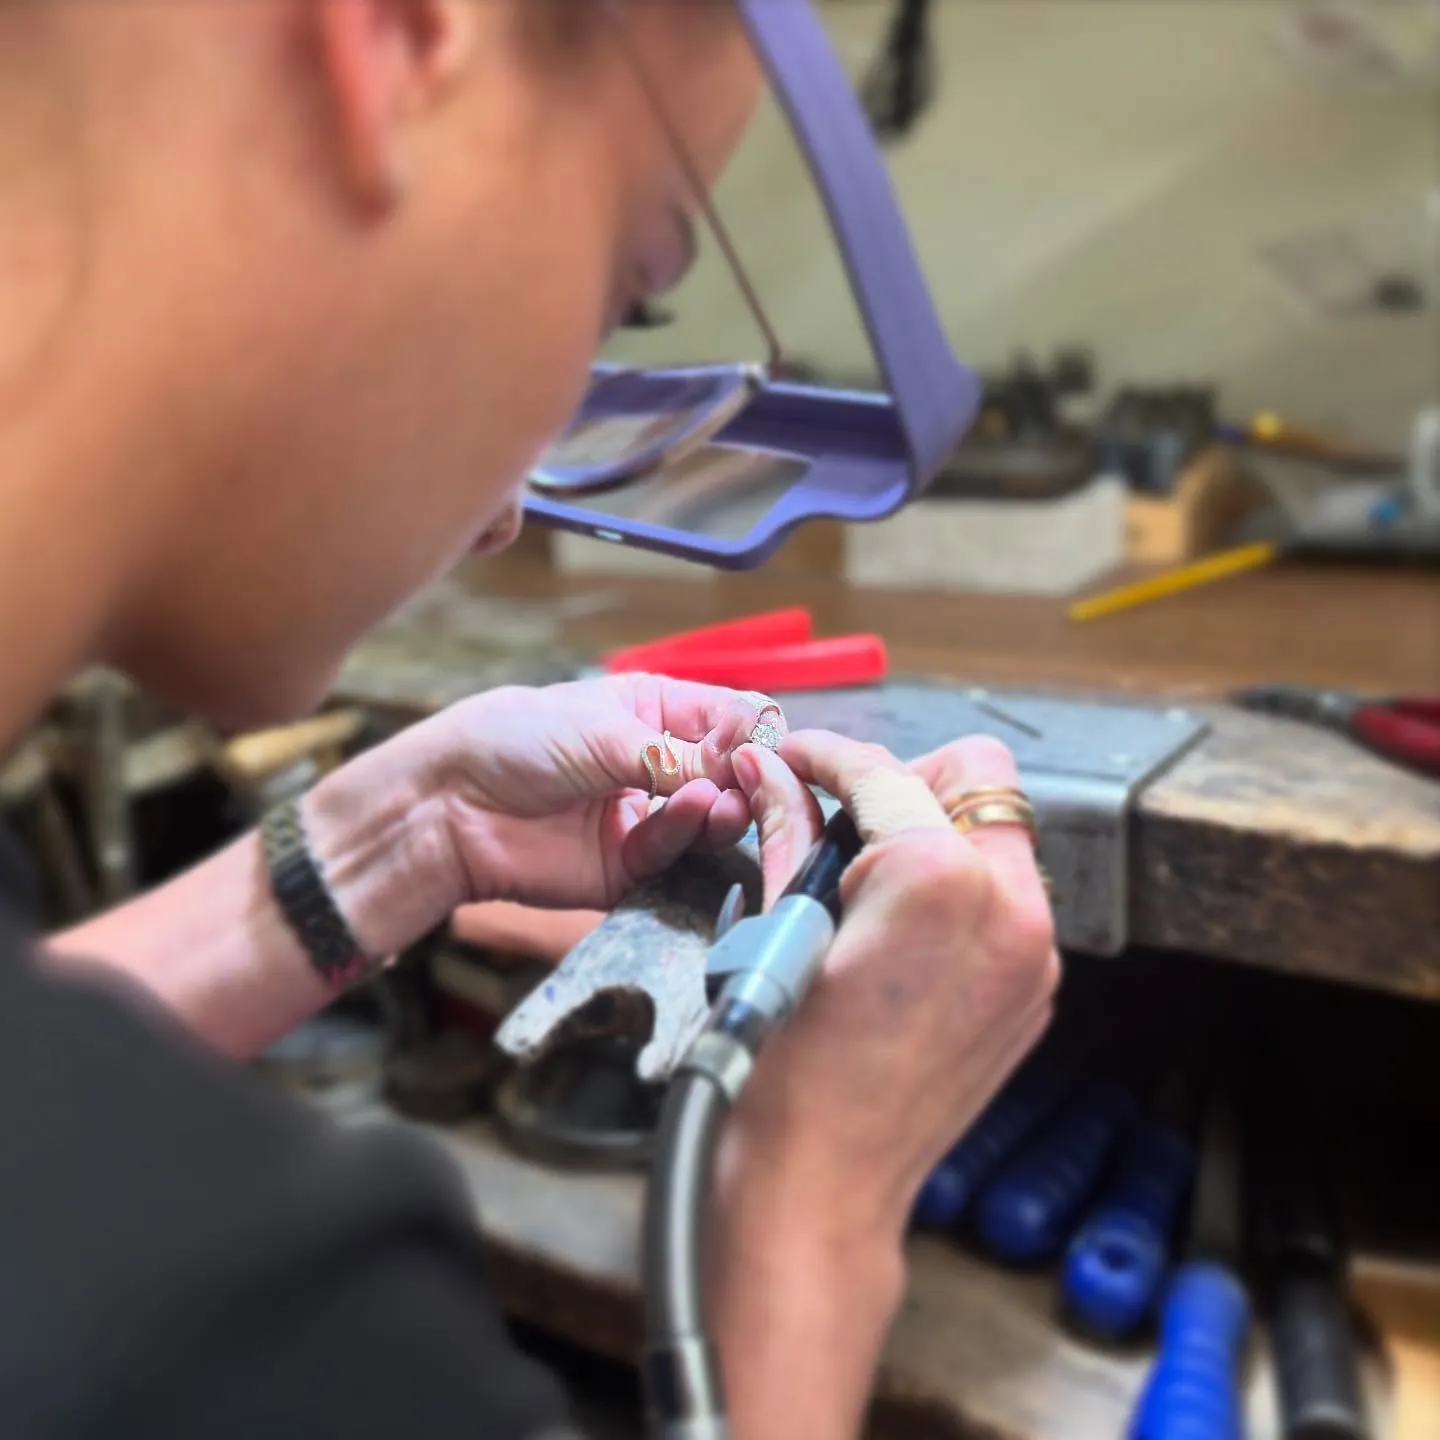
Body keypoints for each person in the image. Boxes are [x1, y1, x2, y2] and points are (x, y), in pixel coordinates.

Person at [0, 2, 1059, 1437]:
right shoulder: (221, 1333)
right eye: (627, 291)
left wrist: (394, 837)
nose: (509, 512)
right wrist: (808, 1218)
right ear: (393, 40)